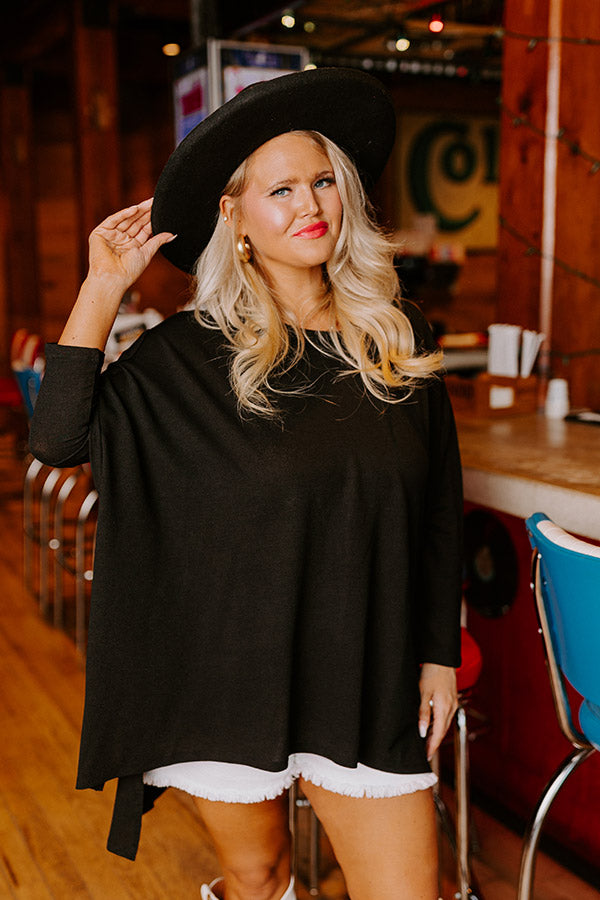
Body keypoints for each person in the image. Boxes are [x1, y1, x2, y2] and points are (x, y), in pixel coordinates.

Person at [29, 67, 463, 900]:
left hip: (365, 669)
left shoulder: (397, 337)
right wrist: (103, 284)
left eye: (324, 181)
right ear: (233, 216)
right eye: (282, 190)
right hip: (226, 673)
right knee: (258, 877)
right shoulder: (188, 354)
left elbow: (438, 506)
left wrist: (438, 655)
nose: (311, 206)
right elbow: (57, 440)